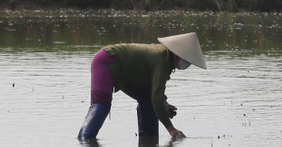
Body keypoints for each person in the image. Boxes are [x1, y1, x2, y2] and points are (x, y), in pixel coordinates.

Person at [77, 32, 206, 140]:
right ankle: (85, 142)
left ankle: (148, 143)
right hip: (107, 61)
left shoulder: (165, 58)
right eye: (187, 60)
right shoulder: (163, 60)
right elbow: (157, 97)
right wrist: (171, 129)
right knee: (101, 106)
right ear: (178, 54)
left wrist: (163, 104)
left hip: (126, 72)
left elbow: (155, 91)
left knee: (148, 102)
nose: (187, 64)